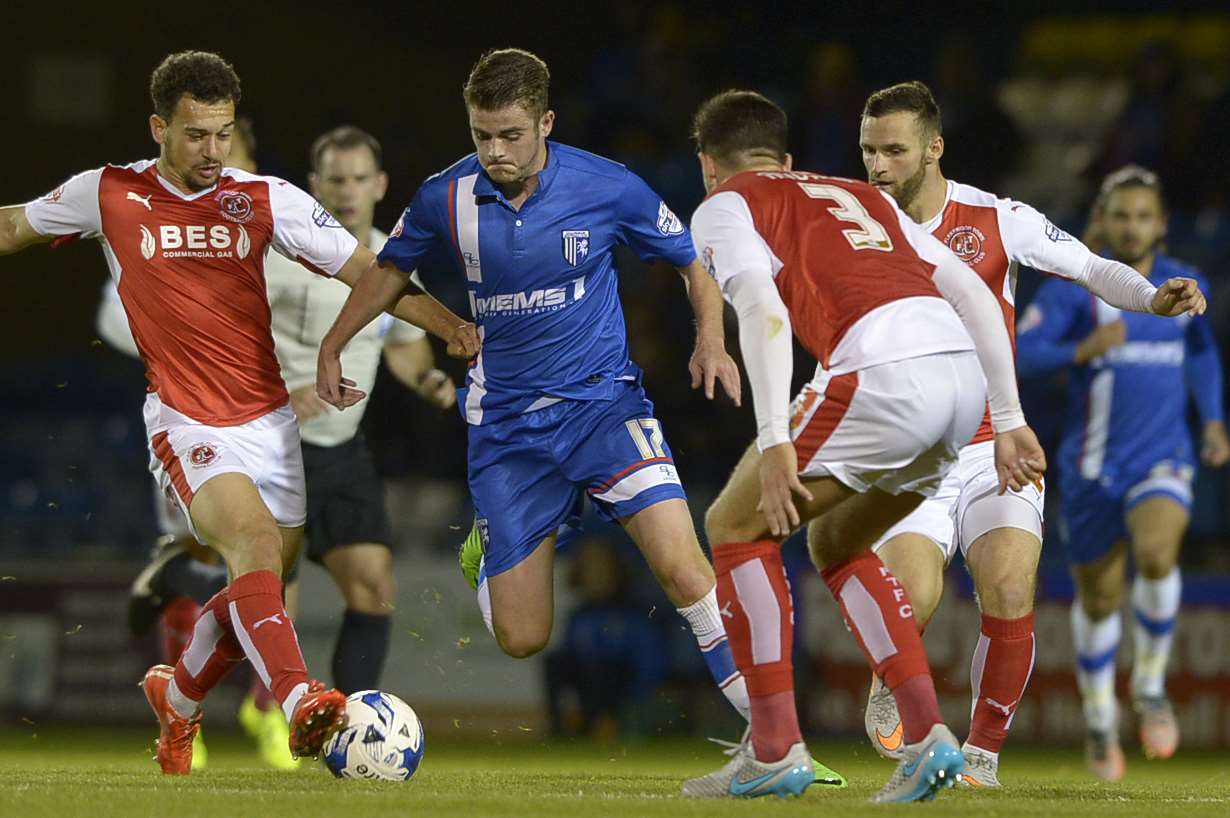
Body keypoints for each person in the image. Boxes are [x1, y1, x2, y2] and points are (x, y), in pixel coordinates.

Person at [0, 50, 478, 774]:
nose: (212, 151)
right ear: (159, 127)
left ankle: (179, 696)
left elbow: (369, 273)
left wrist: (451, 329)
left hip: (271, 426)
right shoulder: (108, 193)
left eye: (223, 133)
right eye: (196, 134)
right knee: (254, 547)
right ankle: (299, 701)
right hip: (187, 420)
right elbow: (12, 228)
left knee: (245, 591)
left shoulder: (263, 198)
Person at [315, 48, 761, 735]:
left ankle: (772, 737)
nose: (495, 150)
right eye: (482, 135)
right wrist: (334, 342)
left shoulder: (608, 186)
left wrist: (711, 337)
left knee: (682, 566)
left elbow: (690, 262)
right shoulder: (444, 197)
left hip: (605, 408)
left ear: (546, 122)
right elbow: (386, 271)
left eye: (511, 135)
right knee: (522, 638)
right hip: (508, 432)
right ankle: (488, 558)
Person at [682, 88, 1047, 803]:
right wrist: (1006, 416)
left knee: (733, 525)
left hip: (880, 368)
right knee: (837, 545)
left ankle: (775, 747)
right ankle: (926, 737)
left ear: (708, 165)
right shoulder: (860, 193)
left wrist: (774, 437)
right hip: (961, 383)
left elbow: (760, 310)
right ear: (785, 159)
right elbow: (974, 294)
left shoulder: (725, 204)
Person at [854, 81, 1207, 787]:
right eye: (868, 150)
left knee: (1012, 587)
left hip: (993, 447)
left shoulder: (997, 217)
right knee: (913, 597)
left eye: (894, 150)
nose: (878, 165)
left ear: (934, 147)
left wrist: (1147, 299)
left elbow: (1087, 265)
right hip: (904, 455)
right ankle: (888, 679)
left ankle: (982, 755)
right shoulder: (852, 221)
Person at [1017, 165, 1227, 781]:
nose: (1132, 227)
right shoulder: (1072, 288)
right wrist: (1079, 350)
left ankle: (1153, 688)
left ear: (1161, 224)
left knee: (1159, 552)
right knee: (1101, 598)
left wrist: (1213, 421)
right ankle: (1102, 717)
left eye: (1144, 216)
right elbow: (1021, 353)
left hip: (1163, 457)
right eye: (1121, 215)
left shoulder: (1184, 285)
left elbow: (1202, 354)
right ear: (1103, 221)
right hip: (1092, 469)